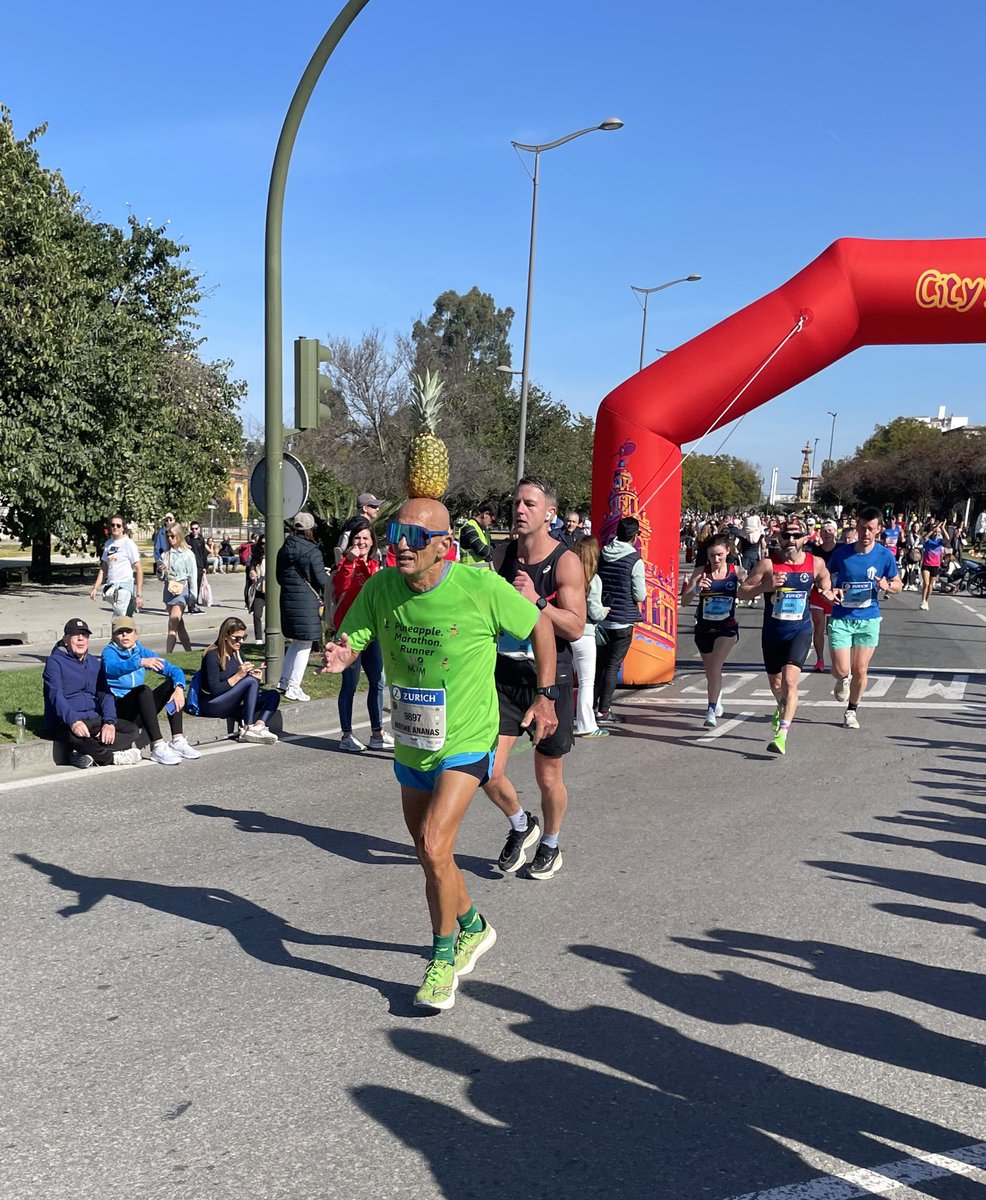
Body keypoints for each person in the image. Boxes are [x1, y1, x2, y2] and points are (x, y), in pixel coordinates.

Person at [320, 497, 558, 1010]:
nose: (400, 545)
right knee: (433, 856)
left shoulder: (479, 587)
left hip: (468, 737)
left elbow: (540, 626)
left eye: (414, 536)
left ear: (444, 546)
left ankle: (443, 961)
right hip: (412, 740)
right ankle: (473, 923)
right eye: (394, 533)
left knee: (432, 844)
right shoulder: (381, 586)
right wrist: (342, 653)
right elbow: (353, 636)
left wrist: (546, 695)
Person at [486, 476, 585, 881]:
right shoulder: (501, 555)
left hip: (549, 679)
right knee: (487, 770)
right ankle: (521, 825)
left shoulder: (565, 561)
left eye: (529, 503)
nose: (520, 510)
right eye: (516, 503)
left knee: (548, 776)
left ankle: (551, 843)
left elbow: (576, 627)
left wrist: (538, 601)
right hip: (504, 675)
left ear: (550, 513)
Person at [738, 517, 833, 755]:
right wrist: (765, 586)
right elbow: (743, 591)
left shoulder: (815, 563)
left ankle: (782, 734)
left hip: (800, 631)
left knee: (791, 680)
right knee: (777, 684)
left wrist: (829, 593)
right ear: (778, 538)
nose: (790, 540)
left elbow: (825, 583)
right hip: (772, 633)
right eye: (786, 536)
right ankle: (781, 706)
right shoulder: (767, 564)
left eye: (795, 536)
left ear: (805, 538)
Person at [827, 505, 902, 729]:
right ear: (856, 527)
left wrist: (887, 585)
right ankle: (842, 680)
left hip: (868, 617)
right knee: (842, 669)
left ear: (879, 530)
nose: (866, 534)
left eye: (870, 529)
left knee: (860, 669)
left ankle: (851, 711)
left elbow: (898, 585)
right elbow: (828, 580)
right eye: (862, 528)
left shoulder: (884, 555)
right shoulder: (842, 553)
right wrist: (833, 590)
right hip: (841, 616)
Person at [101, 614, 201, 764]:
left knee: (171, 685)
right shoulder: (109, 652)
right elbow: (112, 669)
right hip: (119, 711)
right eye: (120, 632)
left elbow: (175, 670)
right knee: (143, 690)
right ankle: (158, 746)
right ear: (114, 636)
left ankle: (177, 740)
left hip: (140, 711)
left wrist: (179, 688)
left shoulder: (140, 650)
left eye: (128, 631)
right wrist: (139, 662)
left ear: (136, 634)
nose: (124, 635)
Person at [43, 618, 141, 769]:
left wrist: (109, 722)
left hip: (92, 719)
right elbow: (56, 696)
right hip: (65, 721)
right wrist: (74, 721)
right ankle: (112, 757)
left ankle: (82, 755)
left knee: (131, 730)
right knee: (75, 736)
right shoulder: (54, 662)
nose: (81, 639)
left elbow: (105, 694)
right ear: (66, 639)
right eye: (75, 635)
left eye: (84, 635)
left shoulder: (94, 663)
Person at [331, 517, 392, 753]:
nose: (362, 542)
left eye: (366, 538)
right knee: (350, 684)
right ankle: (346, 735)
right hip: (350, 633)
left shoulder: (376, 565)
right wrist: (349, 561)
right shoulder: (346, 564)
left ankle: (377, 733)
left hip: (373, 632)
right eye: (357, 538)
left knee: (378, 681)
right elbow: (342, 586)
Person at [680, 534, 740, 727]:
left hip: (727, 628)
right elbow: (684, 601)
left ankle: (711, 710)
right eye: (712, 556)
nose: (716, 560)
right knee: (711, 672)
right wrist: (696, 589)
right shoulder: (701, 572)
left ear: (728, 551)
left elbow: (750, 588)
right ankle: (718, 694)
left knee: (714, 667)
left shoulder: (736, 572)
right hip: (704, 627)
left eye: (720, 555)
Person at [594, 515, 646, 725]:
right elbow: (640, 594)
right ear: (635, 536)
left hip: (601, 617)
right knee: (612, 666)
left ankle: (589, 706)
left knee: (598, 665)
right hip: (623, 619)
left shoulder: (603, 554)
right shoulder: (635, 560)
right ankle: (604, 710)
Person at [198, 617, 279, 743]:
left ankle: (259, 727)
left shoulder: (238, 654)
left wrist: (255, 677)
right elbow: (214, 690)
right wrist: (239, 676)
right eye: (236, 638)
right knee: (250, 681)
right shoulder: (212, 655)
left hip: (233, 703)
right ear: (225, 636)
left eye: (243, 637)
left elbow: (245, 688)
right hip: (212, 703)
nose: (240, 642)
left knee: (273, 695)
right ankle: (248, 727)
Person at [277, 512, 326, 702]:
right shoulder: (312, 551)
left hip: (288, 599)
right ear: (310, 529)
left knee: (296, 642)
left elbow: (279, 578)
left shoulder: (284, 548)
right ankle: (294, 686)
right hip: (306, 602)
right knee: (305, 644)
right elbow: (321, 580)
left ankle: (284, 680)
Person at [572, 536, 609, 738]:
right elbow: (595, 612)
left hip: (565, 630)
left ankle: (567, 718)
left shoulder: (568, 576)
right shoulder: (593, 579)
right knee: (587, 681)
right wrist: (604, 611)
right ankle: (587, 724)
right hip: (585, 633)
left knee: (567, 679)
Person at [90, 515, 143, 618]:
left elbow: (139, 569)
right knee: (127, 621)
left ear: (123, 528)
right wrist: (95, 588)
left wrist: (138, 595)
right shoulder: (108, 544)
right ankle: (132, 634)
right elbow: (104, 568)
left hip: (124, 586)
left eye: (118, 525)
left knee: (117, 620)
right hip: (111, 587)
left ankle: (116, 633)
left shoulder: (128, 544)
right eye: (113, 525)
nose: (115, 527)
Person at [807, 518, 839, 672]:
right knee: (818, 626)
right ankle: (820, 660)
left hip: (835, 594)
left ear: (835, 532)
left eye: (830, 530)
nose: (827, 533)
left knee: (832, 629)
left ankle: (837, 660)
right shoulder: (815, 551)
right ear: (819, 533)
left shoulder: (841, 550)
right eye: (824, 531)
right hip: (817, 593)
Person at [160, 522, 197, 654]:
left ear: (179, 536)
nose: (170, 539)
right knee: (179, 626)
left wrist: (193, 597)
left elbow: (192, 576)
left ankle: (168, 655)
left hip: (182, 590)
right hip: (169, 589)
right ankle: (189, 652)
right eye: (168, 536)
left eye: (173, 536)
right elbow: (162, 577)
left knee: (172, 623)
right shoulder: (166, 554)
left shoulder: (187, 554)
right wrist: (161, 571)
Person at [336, 492, 383, 562]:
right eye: (374, 507)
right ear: (365, 508)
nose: (378, 509)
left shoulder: (350, 522)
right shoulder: (362, 526)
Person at [458, 500, 498, 568]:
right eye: (493, 521)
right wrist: (498, 549)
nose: (493, 525)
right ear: (486, 514)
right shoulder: (468, 528)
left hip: (482, 573)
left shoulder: (484, 531)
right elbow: (482, 550)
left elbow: (488, 551)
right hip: (470, 572)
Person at [919, 519, 947, 612]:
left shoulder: (939, 541)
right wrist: (934, 529)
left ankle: (927, 601)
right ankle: (922, 600)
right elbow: (924, 538)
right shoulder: (928, 541)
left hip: (935, 565)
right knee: (926, 583)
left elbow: (947, 539)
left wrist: (942, 528)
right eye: (935, 532)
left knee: (930, 585)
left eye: (938, 533)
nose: (936, 533)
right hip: (926, 564)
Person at [246, 538, 266, 645]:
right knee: (257, 614)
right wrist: (252, 572)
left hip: (272, 591)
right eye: (262, 543)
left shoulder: (275, 557)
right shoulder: (256, 558)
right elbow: (250, 568)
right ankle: (258, 638)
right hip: (259, 590)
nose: (264, 545)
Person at [186, 521, 209, 613]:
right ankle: (190, 605)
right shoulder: (187, 539)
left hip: (199, 565)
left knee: (198, 585)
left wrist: (205, 566)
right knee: (190, 585)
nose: (194, 530)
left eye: (196, 528)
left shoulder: (201, 539)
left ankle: (195, 603)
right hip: (190, 566)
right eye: (192, 529)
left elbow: (203, 553)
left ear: (199, 529)